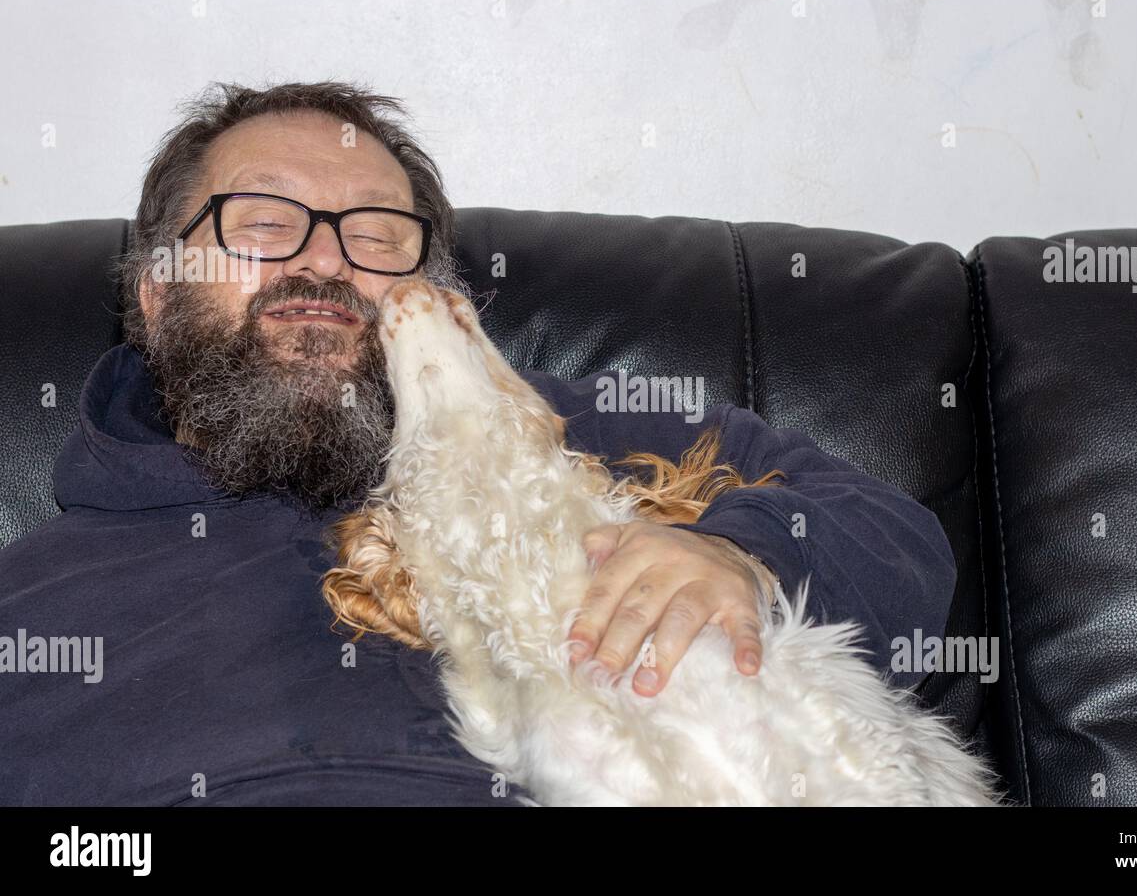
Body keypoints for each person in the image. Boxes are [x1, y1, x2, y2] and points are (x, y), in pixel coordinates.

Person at [0, 82, 958, 806]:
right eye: (263, 223)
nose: (324, 260)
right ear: (155, 292)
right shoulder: (36, 606)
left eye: (378, 236)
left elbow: (893, 534)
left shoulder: (580, 433)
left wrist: (742, 554)